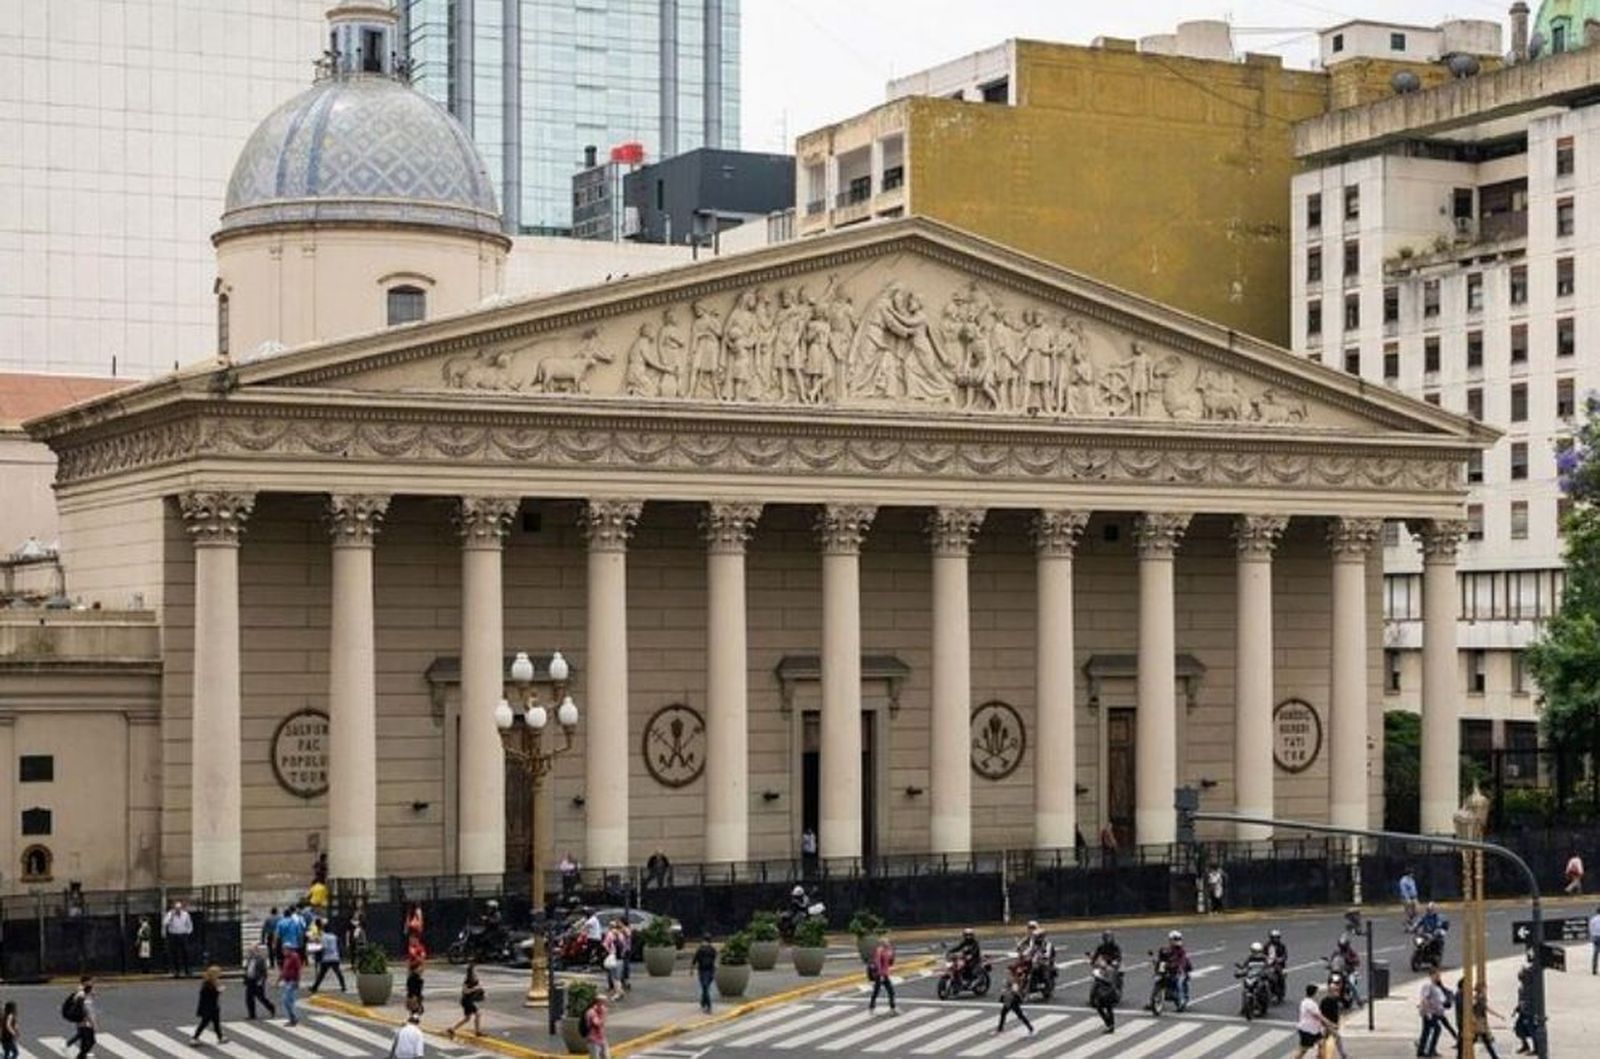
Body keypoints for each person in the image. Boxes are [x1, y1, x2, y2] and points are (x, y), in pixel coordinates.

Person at [1292, 983, 1334, 1059]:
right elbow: (1319, 1016)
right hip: (1307, 1031)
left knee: (1321, 1043)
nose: (1318, 994)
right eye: (1317, 992)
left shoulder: (1306, 1001)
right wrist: (1329, 1023)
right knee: (1303, 1050)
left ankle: (1320, 1056)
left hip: (1314, 1030)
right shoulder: (1310, 1004)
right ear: (1314, 993)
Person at [191, 964, 228, 1045]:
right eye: (218, 973)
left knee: (216, 1023)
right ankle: (194, 1038)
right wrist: (220, 990)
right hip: (210, 1008)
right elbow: (212, 995)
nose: (220, 974)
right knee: (204, 1023)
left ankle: (220, 1037)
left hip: (213, 1006)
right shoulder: (208, 984)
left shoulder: (211, 982)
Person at [1418, 966, 1450, 1057]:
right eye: (1437, 975)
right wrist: (1427, 1011)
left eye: (1439, 975)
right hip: (1430, 1013)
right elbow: (1425, 999)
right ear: (1431, 975)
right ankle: (1430, 1050)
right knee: (1436, 1029)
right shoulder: (1429, 986)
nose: (1438, 977)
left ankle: (1423, 1050)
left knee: (1426, 1031)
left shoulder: (1437, 986)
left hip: (1435, 1012)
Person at [994, 964, 1034, 1036]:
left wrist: (1007, 991)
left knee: (1019, 1015)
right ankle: (1000, 1028)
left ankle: (1030, 1028)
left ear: (1011, 971)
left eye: (1007, 970)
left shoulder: (1013, 979)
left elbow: (1015, 989)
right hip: (1008, 999)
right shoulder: (1010, 978)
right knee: (1004, 1013)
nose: (1005, 971)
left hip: (1012, 1000)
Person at [446, 964, 485, 1039]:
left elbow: (479, 987)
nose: (476, 971)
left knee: (467, 1018)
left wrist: (481, 992)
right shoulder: (467, 979)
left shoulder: (475, 979)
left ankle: (452, 1029)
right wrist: (475, 989)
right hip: (466, 1000)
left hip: (470, 1000)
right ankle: (477, 1032)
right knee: (478, 1014)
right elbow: (465, 991)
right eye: (474, 970)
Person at [63, 976, 95, 1059]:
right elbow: (83, 1007)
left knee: (83, 1036)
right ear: (85, 982)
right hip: (83, 1019)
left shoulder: (83, 991)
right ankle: (81, 1053)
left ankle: (83, 1053)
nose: (91, 983)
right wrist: (91, 1021)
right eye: (90, 981)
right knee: (86, 1037)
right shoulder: (81, 992)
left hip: (82, 1019)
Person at [1471, 981, 1504, 1059]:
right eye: (1485, 987)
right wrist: (1499, 1015)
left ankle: (1494, 1057)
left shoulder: (1478, 997)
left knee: (1481, 1039)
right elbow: (1485, 1009)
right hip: (1479, 1021)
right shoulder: (1479, 998)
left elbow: (1486, 1009)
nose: (1486, 989)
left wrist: (1498, 1015)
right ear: (1482, 988)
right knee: (1484, 1039)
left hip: (1480, 1020)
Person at [310, 920, 345, 992]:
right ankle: (343, 986)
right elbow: (338, 946)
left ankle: (315, 987)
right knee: (338, 973)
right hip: (335, 957)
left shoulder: (324, 937)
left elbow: (324, 947)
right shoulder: (334, 936)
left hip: (326, 958)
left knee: (321, 974)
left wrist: (317, 952)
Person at [867, 933, 897, 1014]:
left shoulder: (888, 950)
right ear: (883, 944)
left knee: (889, 991)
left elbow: (890, 962)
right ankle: (873, 1007)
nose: (888, 943)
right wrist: (880, 975)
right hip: (880, 975)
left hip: (885, 974)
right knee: (879, 991)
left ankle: (891, 1008)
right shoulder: (880, 951)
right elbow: (878, 963)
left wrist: (892, 956)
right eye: (887, 942)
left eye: (888, 942)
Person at [164, 899, 195, 977]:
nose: (178, 910)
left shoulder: (185, 914)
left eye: (179, 908)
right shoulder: (170, 914)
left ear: (181, 908)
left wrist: (188, 932)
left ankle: (187, 970)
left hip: (183, 935)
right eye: (176, 908)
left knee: (186, 953)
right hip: (173, 935)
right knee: (175, 954)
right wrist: (171, 916)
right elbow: (165, 923)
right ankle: (176, 971)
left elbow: (189, 924)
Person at [1319, 981, 1346, 1059]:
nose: (1337, 992)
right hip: (1328, 1024)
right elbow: (1322, 1014)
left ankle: (1321, 1055)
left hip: (1330, 1024)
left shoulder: (1335, 1000)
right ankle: (1343, 1055)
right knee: (1337, 1038)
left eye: (1337, 990)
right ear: (1330, 991)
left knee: (1325, 1039)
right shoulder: (1327, 1001)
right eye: (1335, 990)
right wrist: (1330, 1024)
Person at [691, 935, 717, 1014]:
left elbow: (694, 960)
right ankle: (703, 1002)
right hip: (710, 970)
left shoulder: (700, 950)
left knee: (705, 987)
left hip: (702, 970)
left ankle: (708, 1005)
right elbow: (714, 960)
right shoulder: (713, 950)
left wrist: (691, 970)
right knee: (706, 987)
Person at [278, 946, 302, 1027]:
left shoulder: (294, 957)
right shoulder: (286, 958)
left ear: (289, 950)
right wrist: (278, 980)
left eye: (284, 950)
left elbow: (298, 969)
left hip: (292, 981)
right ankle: (293, 1018)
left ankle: (293, 1018)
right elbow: (284, 971)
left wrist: (298, 981)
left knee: (286, 1000)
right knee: (289, 1001)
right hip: (287, 981)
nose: (283, 952)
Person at [405, 949, 426, 1016]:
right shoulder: (414, 979)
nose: (422, 969)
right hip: (414, 998)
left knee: (415, 1013)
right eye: (419, 968)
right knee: (415, 1013)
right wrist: (414, 998)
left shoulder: (416, 978)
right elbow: (412, 989)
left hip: (416, 998)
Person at [1590, 904, 1600, 975]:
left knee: (1595, 953)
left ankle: (1594, 969)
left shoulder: (1593, 919)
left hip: (1596, 937)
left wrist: (1593, 936)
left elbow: (1591, 929)